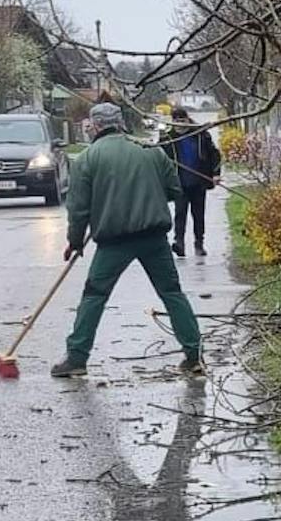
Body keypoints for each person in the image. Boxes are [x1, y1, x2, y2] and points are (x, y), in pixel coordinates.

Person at [51, 102, 205, 381]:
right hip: (153, 237)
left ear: (95, 126)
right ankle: (194, 355)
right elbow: (174, 190)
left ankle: (76, 358)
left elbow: (78, 208)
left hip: (114, 241)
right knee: (171, 293)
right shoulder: (151, 151)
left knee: (95, 295)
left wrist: (75, 241)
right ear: (121, 122)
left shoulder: (88, 159)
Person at [163, 101, 222, 257]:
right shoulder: (168, 138)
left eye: (182, 120)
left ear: (188, 119)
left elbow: (214, 155)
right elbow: (159, 158)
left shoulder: (200, 135)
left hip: (199, 182)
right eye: (176, 121)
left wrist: (215, 174)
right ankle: (179, 242)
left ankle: (199, 243)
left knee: (198, 214)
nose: (179, 124)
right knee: (180, 213)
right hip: (179, 183)